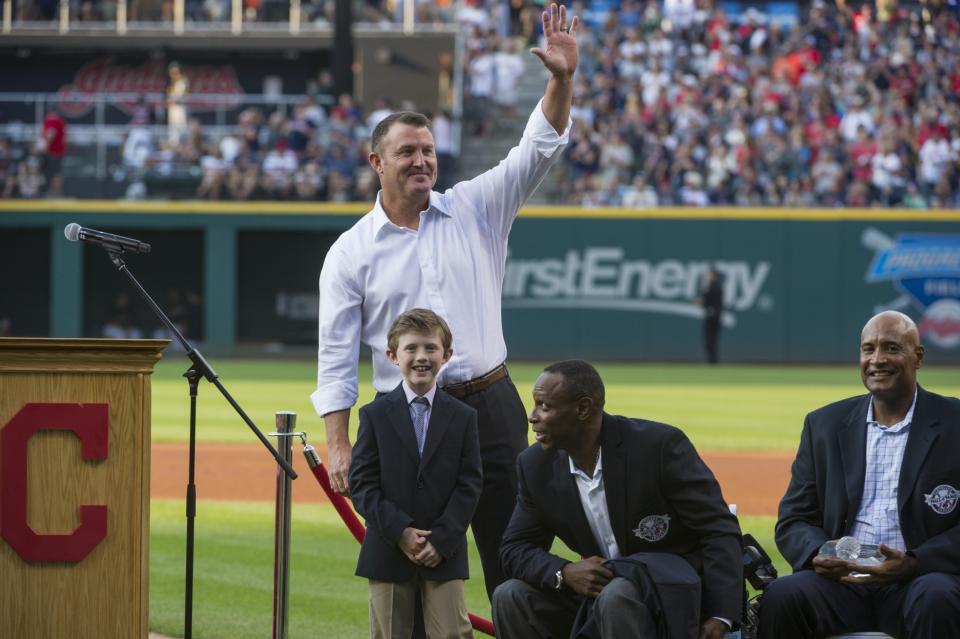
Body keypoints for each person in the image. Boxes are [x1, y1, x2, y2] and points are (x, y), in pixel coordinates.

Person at [312, 2, 580, 600]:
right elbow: (334, 360)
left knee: (515, 553)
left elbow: (537, 148)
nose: (421, 161)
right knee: (414, 571)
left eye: (428, 150)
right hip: (405, 418)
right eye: (407, 152)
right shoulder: (349, 252)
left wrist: (561, 80)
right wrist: (337, 443)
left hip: (490, 405)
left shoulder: (475, 207)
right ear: (376, 162)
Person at [493, 360, 743, 639]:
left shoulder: (658, 447)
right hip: (600, 598)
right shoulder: (535, 466)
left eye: (545, 406)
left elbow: (718, 529)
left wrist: (722, 615)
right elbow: (515, 548)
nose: (533, 416)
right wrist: (564, 571)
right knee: (510, 595)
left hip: (672, 596)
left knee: (617, 594)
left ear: (583, 408)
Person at [758, 311, 960, 639]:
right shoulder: (823, 425)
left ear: (918, 357)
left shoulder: (954, 422)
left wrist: (915, 562)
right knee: (782, 596)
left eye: (892, 348)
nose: (877, 359)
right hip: (842, 584)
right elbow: (794, 519)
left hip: (921, 580)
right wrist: (819, 553)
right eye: (868, 349)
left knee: (937, 598)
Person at [349, 309, 482, 639]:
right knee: (390, 633)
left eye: (430, 348)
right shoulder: (374, 415)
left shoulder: (463, 416)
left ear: (446, 355)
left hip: (444, 550)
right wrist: (401, 531)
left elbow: (470, 483)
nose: (421, 357)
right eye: (411, 349)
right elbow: (362, 486)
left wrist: (443, 537)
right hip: (388, 548)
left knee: (453, 633)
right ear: (393, 356)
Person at [39, 110, 67, 196]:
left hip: (52, 152)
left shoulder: (52, 120)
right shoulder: (60, 120)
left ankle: (55, 192)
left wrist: (44, 147)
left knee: (53, 174)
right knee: (56, 173)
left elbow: (51, 134)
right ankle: (56, 191)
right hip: (58, 152)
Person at [700, 267, 724, 364]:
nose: (708, 276)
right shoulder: (719, 286)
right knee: (713, 339)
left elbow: (707, 301)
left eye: (710, 274)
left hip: (711, 315)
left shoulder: (710, 286)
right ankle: (713, 360)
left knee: (709, 339)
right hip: (717, 315)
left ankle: (712, 360)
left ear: (713, 275)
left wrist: (702, 302)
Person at [166, 62, 189, 147]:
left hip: (180, 108)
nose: (173, 73)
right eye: (171, 72)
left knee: (182, 129)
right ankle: (173, 145)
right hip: (173, 108)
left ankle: (182, 145)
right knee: (173, 130)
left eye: (175, 71)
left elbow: (182, 96)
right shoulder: (172, 82)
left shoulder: (183, 81)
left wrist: (173, 99)